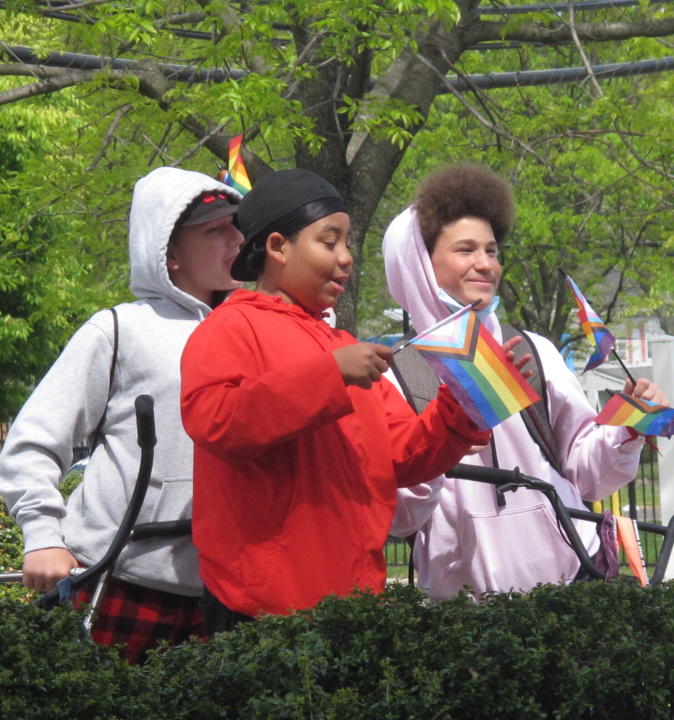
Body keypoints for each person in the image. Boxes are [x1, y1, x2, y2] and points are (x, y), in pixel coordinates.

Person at [178, 168, 490, 632]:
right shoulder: (233, 327)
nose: (483, 265)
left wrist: (467, 406)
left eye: (491, 250)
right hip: (270, 603)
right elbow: (216, 421)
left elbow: (401, 448)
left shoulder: (353, 343)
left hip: (359, 592)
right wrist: (331, 376)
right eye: (330, 242)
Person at [382, 163, 666, 601]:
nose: (485, 264)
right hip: (463, 609)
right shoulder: (403, 374)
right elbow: (401, 516)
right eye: (465, 249)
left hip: (574, 581)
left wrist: (627, 428)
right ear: (420, 261)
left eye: (492, 251)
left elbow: (587, 476)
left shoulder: (532, 349)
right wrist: (442, 442)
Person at [0, 166, 244, 661]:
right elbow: (32, 442)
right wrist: (43, 537)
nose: (237, 240)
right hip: (117, 580)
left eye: (237, 226)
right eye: (215, 230)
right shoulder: (117, 330)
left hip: (227, 590)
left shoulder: (255, 330)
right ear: (168, 253)